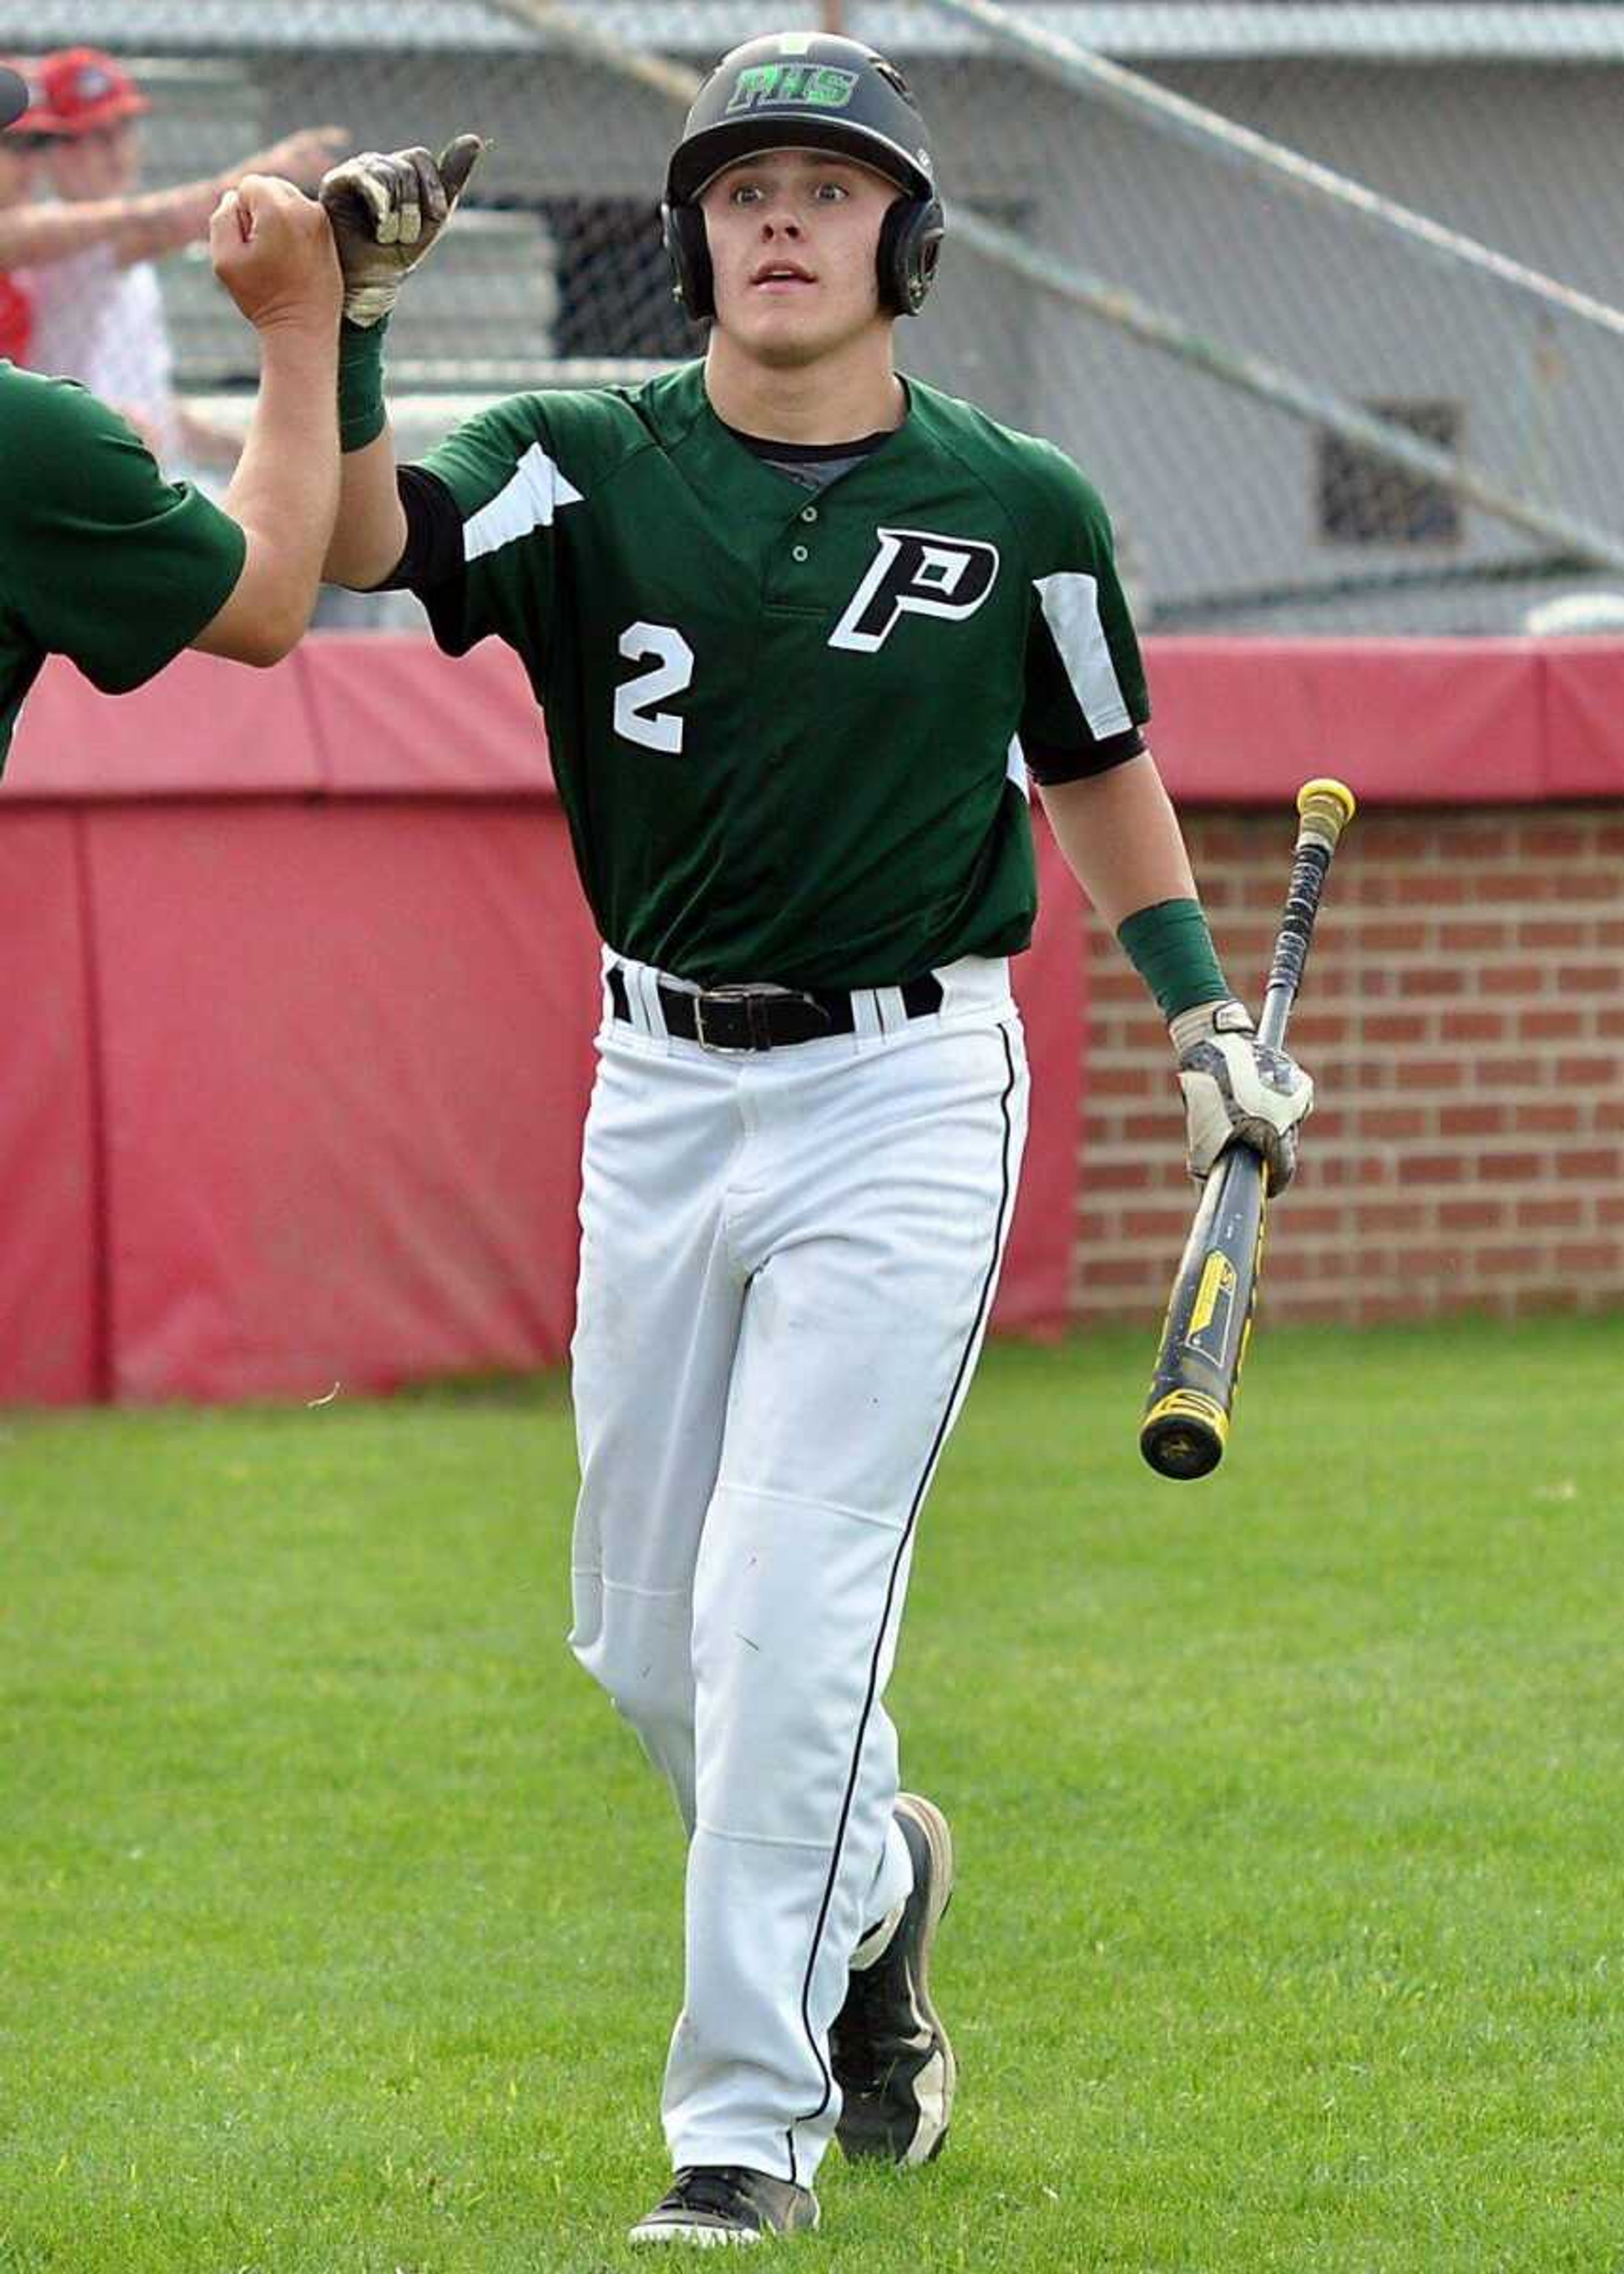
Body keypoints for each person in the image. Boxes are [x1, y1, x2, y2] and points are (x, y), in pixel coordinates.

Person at [318, 33, 1314, 2247]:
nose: (782, 216)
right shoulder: (580, 454)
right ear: (686, 236)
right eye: (743, 183)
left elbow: (1101, 762)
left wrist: (1201, 1019)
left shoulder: (1022, 500)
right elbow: (362, 536)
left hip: (903, 1092)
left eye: (830, 187)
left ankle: (744, 2137)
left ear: (907, 240)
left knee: (784, 1620)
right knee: (643, 1646)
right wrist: (351, 319)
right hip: (656, 1088)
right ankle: (879, 1892)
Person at [0, 61, 343, 770]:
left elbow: (157, 414)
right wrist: (300, 314)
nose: (20, 167)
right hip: (89, 500)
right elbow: (266, 608)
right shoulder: (36, 423)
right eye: (81, 139)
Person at [22, 47, 343, 468]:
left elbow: (155, 407)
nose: (117, 152)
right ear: (54, 152)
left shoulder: (123, 244)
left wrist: (254, 455)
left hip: (132, 457)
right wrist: (269, 172)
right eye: (96, 136)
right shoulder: (57, 235)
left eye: (124, 130)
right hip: (79, 463)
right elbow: (167, 224)